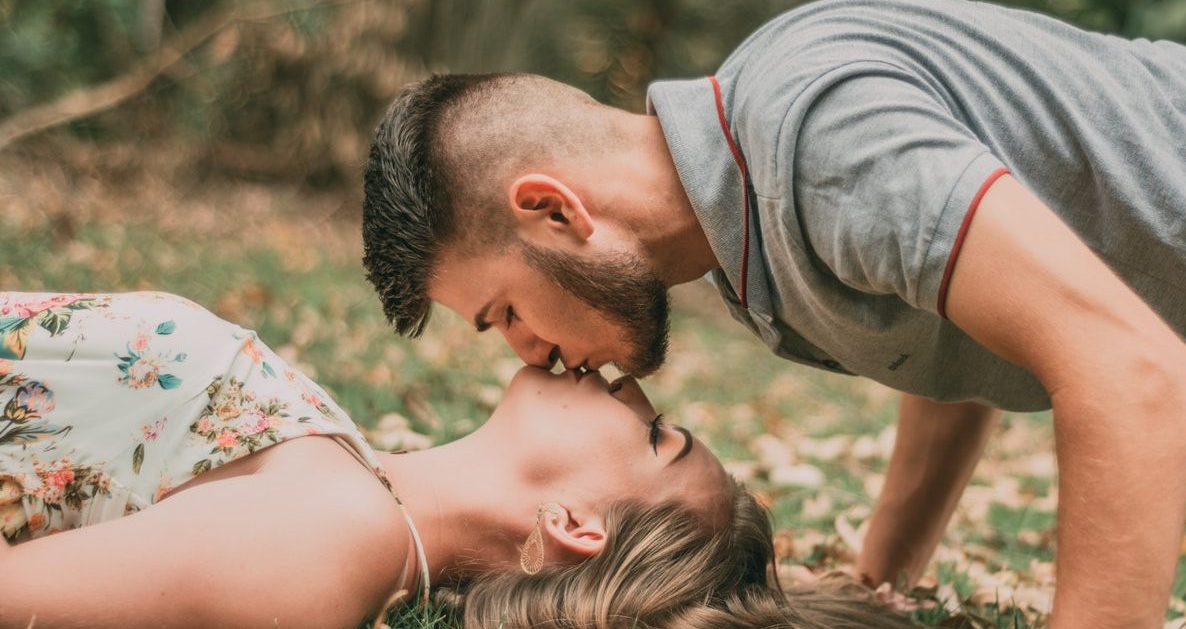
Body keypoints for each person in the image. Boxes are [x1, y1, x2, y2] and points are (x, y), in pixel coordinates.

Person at [360, 0, 1186, 628]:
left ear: (556, 211)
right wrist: (883, 578)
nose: (532, 354)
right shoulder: (749, 226)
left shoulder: (817, 138)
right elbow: (958, 320)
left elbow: (1135, 375)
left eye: (505, 312)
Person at [0, 291, 916, 629]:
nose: (631, 383)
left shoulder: (334, 543)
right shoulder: (351, 486)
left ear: (575, 526)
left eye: (655, 433)